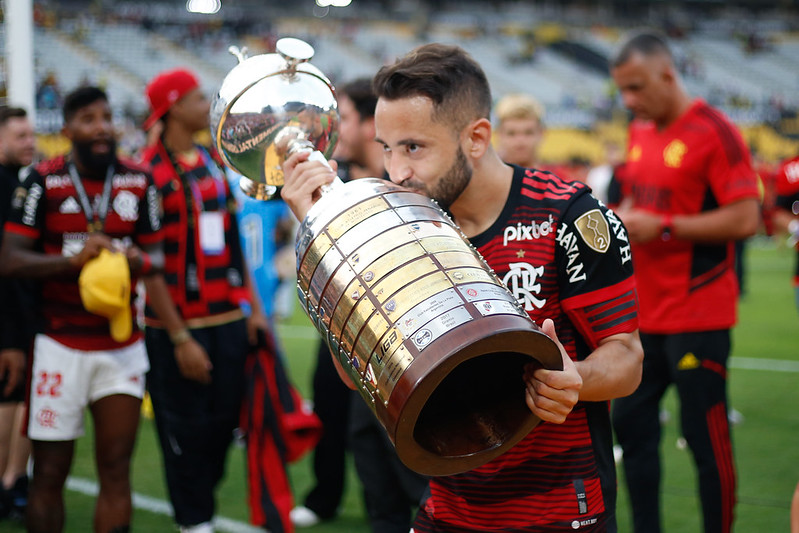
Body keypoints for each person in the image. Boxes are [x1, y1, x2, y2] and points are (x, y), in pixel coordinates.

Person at [281, 43, 643, 532]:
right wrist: (330, 245)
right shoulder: (399, 226)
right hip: (447, 508)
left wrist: (575, 377)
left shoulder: (570, 216)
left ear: (475, 138)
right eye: (387, 148)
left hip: (558, 510)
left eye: (414, 147)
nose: (397, 171)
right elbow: (361, 380)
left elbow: (626, 356)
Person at [608, 31, 761, 533]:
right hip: (642, 315)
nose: (631, 101)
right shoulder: (639, 130)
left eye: (637, 88)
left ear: (667, 74)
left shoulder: (715, 131)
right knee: (634, 432)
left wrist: (665, 227)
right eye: (623, 92)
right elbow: (638, 201)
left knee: (704, 436)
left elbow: (745, 219)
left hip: (698, 315)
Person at [0, 87, 166, 533]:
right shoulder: (41, 180)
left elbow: (159, 259)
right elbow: (11, 259)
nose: (101, 127)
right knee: (50, 473)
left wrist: (136, 261)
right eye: (89, 119)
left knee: (116, 468)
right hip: (58, 345)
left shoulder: (138, 180)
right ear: (68, 128)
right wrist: (70, 263)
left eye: (107, 117)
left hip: (121, 346)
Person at [291, 77, 429, 532]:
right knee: (377, 488)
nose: (334, 128)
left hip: (411, 360)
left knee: (420, 491)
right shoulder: (339, 185)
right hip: (359, 358)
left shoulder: (414, 191)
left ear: (373, 124)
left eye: (344, 117)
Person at [139, 68, 268, 533]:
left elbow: (233, 243)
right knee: (185, 431)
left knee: (222, 426)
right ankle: (193, 521)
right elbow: (149, 266)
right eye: (197, 98)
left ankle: (200, 510)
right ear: (172, 106)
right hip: (177, 328)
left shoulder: (213, 163)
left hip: (228, 318)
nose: (205, 106)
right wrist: (178, 336)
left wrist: (252, 309)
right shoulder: (147, 173)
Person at [0, 106, 37, 521]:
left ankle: (13, 483)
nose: (31, 142)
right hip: (9, 320)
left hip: (17, 317)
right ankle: (10, 486)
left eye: (31, 135)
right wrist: (9, 337)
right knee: (10, 399)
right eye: (21, 135)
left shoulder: (18, 183)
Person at [493, 92, 546, 169]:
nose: (520, 141)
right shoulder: (483, 179)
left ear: (541, 133)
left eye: (528, 133)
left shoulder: (561, 178)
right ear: (499, 134)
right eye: (511, 133)